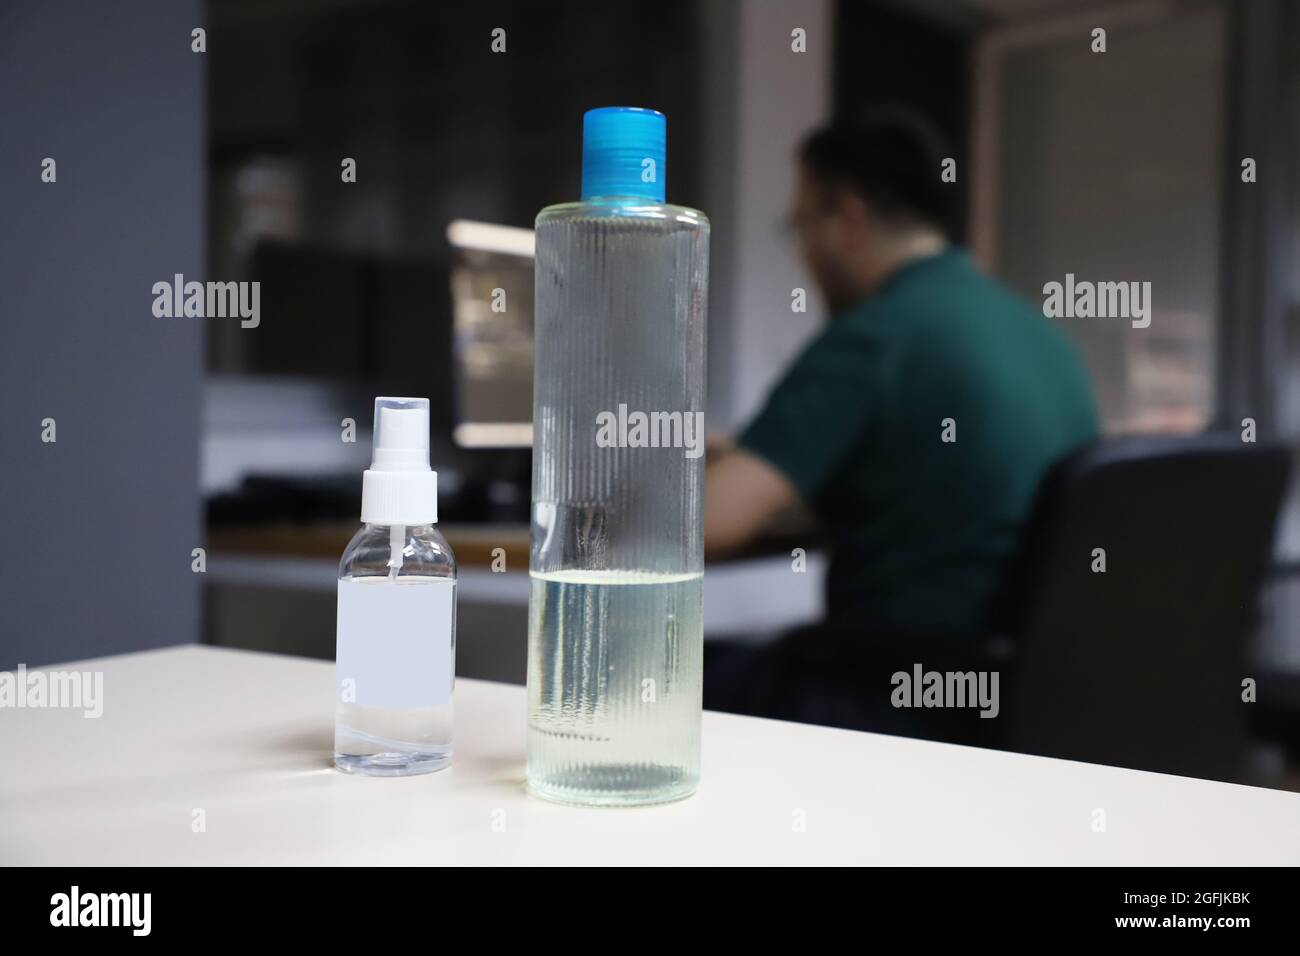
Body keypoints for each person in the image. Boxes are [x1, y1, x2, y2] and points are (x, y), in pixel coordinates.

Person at [703, 112, 1099, 734]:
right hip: (1018, 696)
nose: (803, 252)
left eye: (802, 226)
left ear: (849, 219)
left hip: (898, 695)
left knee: (656, 679)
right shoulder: (1038, 333)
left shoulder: (875, 334)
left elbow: (703, 524)